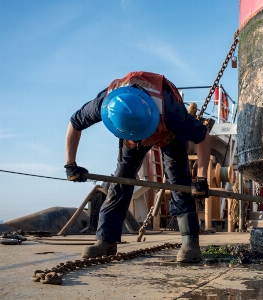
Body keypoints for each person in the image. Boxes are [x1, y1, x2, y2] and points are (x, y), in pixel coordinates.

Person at [65, 71, 211, 262]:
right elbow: (75, 123)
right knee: (121, 179)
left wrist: (201, 178)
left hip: (168, 134)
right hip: (131, 135)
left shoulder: (171, 112)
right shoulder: (106, 102)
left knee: (178, 181)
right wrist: (70, 164)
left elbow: (203, 138)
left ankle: (190, 243)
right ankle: (106, 240)